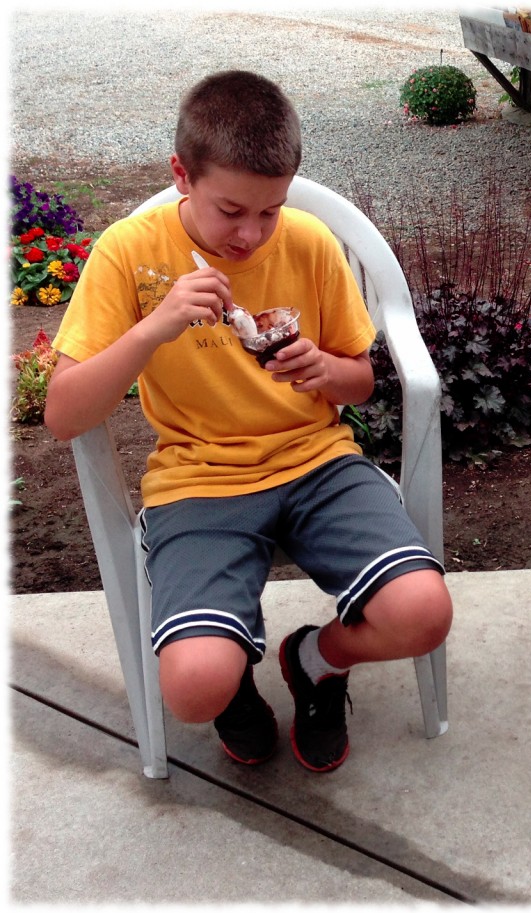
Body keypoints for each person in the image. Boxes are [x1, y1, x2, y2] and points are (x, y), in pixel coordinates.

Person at [45, 70, 453, 773]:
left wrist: (328, 370)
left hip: (317, 461)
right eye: (231, 210)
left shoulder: (310, 243)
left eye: (270, 211)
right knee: (194, 687)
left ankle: (314, 660)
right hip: (199, 479)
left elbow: (359, 379)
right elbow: (62, 414)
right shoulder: (128, 252)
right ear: (181, 174)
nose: (251, 233)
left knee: (423, 611)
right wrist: (155, 328)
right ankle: (230, 672)